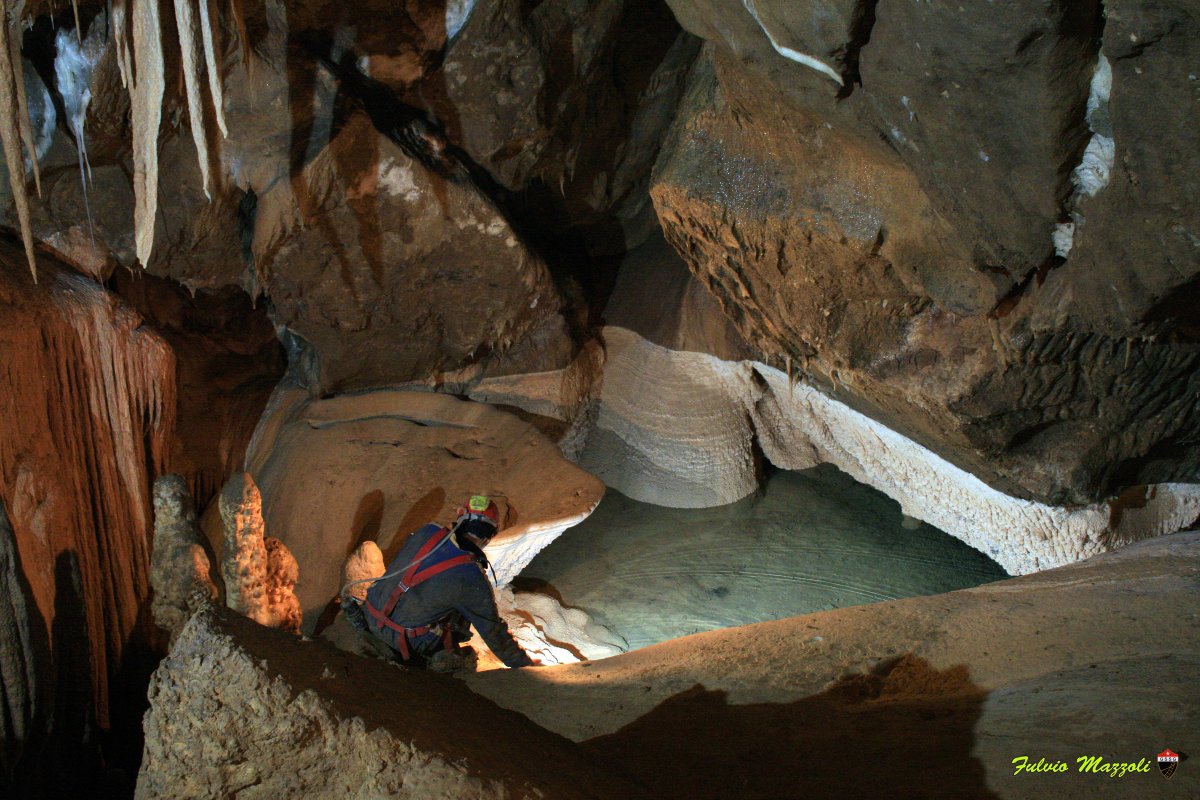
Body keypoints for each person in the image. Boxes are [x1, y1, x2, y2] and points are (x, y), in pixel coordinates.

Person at [341, 495, 533, 669]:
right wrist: (523, 666)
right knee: (462, 622)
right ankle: (431, 664)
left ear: (460, 519)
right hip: (401, 641)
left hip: (371, 615)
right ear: (489, 535)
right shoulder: (470, 577)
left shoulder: (427, 530)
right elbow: (493, 632)